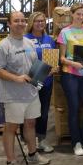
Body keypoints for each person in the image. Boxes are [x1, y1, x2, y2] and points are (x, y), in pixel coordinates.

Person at [0, 11, 50, 165]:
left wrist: (45, 72)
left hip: (31, 93)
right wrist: (15, 78)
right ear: (9, 24)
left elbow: (33, 66)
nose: (20, 23)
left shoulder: (29, 43)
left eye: (23, 20)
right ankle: (11, 162)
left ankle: (32, 154)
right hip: (13, 95)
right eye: (16, 21)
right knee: (11, 128)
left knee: (31, 124)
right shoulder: (3, 46)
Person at [57, 3, 83, 156]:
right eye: (78, 14)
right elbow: (61, 58)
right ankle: (77, 142)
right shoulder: (65, 32)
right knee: (73, 109)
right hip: (70, 75)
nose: (80, 17)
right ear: (72, 14)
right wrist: (73, 63)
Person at [24, 12, 58, 153]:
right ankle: (27, 142)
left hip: (46, 81)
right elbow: (24, 61)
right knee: (29, 114)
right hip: (30, 81)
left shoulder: (49, 40)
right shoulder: (25, 39)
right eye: (37, 21)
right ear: (32, 22)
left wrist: (54, 68)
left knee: (43, 113)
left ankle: (41, 139)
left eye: (42, 21)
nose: (40, 23)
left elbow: (52, 61)